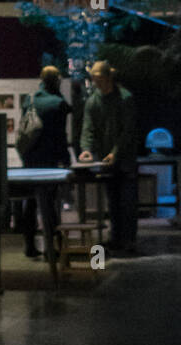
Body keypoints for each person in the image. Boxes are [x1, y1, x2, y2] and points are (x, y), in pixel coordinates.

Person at [78, 60, 139, 254]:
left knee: (127, 201)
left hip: (125, 159)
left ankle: (128, 240)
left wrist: (116, 152)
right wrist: (86, 148)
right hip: (107, 160)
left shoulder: (125, 98)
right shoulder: (93, 101)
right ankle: (115, 238)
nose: (96, 83)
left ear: (108, 78)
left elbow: (128, 130)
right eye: (94, 80)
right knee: (113, 200)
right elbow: (88, 127)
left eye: (99, 79)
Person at [19, 65, 72, 260]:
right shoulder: (58, 103)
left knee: (31, 204)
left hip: (29, 158)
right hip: (49, 160)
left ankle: (29, 246)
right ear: (56, 81)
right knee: (48, 204)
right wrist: (66, 161)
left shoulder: (29, 99)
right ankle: (52, 248)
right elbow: (60, 136)